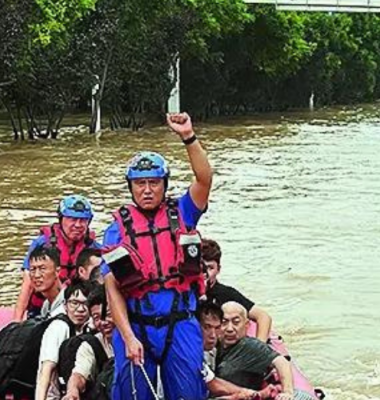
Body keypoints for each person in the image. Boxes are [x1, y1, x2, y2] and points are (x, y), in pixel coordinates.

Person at [101, 112, 213, 400]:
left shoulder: (183, 212)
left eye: (154, 182)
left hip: (181, 322)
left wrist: (188, 136)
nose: (147, 190)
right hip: (137, 326)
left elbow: (205, 178)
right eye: (140, 183)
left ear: (164, 184)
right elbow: (112, 288)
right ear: (131, 187)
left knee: (190, 393)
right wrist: (127, 337)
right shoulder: (117, 230)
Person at [14, 195, 100, 321]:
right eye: (72, 219)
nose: (78, 225)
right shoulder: (42, 244)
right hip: (40, 308)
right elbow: (28, 285)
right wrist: (17, 321)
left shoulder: (94, 249)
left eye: (83, 220)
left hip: (78, 309)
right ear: (61, 220)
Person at [216, 302, 297, 400]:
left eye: (236, 322)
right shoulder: (213, 345)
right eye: (224, 322)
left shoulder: (250, 346)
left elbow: (282, 362)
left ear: (246, 325)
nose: (229, 329)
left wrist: (287, 392)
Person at [201, 238, 274, 343]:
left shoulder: (225, 293)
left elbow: (263, 317)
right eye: (201, 268)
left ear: (218, 269)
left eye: (210, 268)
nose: (205, 274)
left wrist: (260, 348)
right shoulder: (184, 294)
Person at [196, 301, 267, 399]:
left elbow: (214, 383)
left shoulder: (250, 345)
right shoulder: (191, 355)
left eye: (217, 328)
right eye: (207, 327)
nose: (213, 335)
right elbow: (215, 385)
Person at [36, 281, 93, 400]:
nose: (80, 309)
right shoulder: (58, 328)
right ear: (65, 305)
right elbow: (46, 370)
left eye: (85, 304)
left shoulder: (90, 328)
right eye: (74, 303)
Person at [60, 284, 113, 400]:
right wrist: (72, 391)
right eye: (97, 318)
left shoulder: (137, 338)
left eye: (108, 315)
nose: (103, 322)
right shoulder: (91, 345)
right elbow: (79, 374)